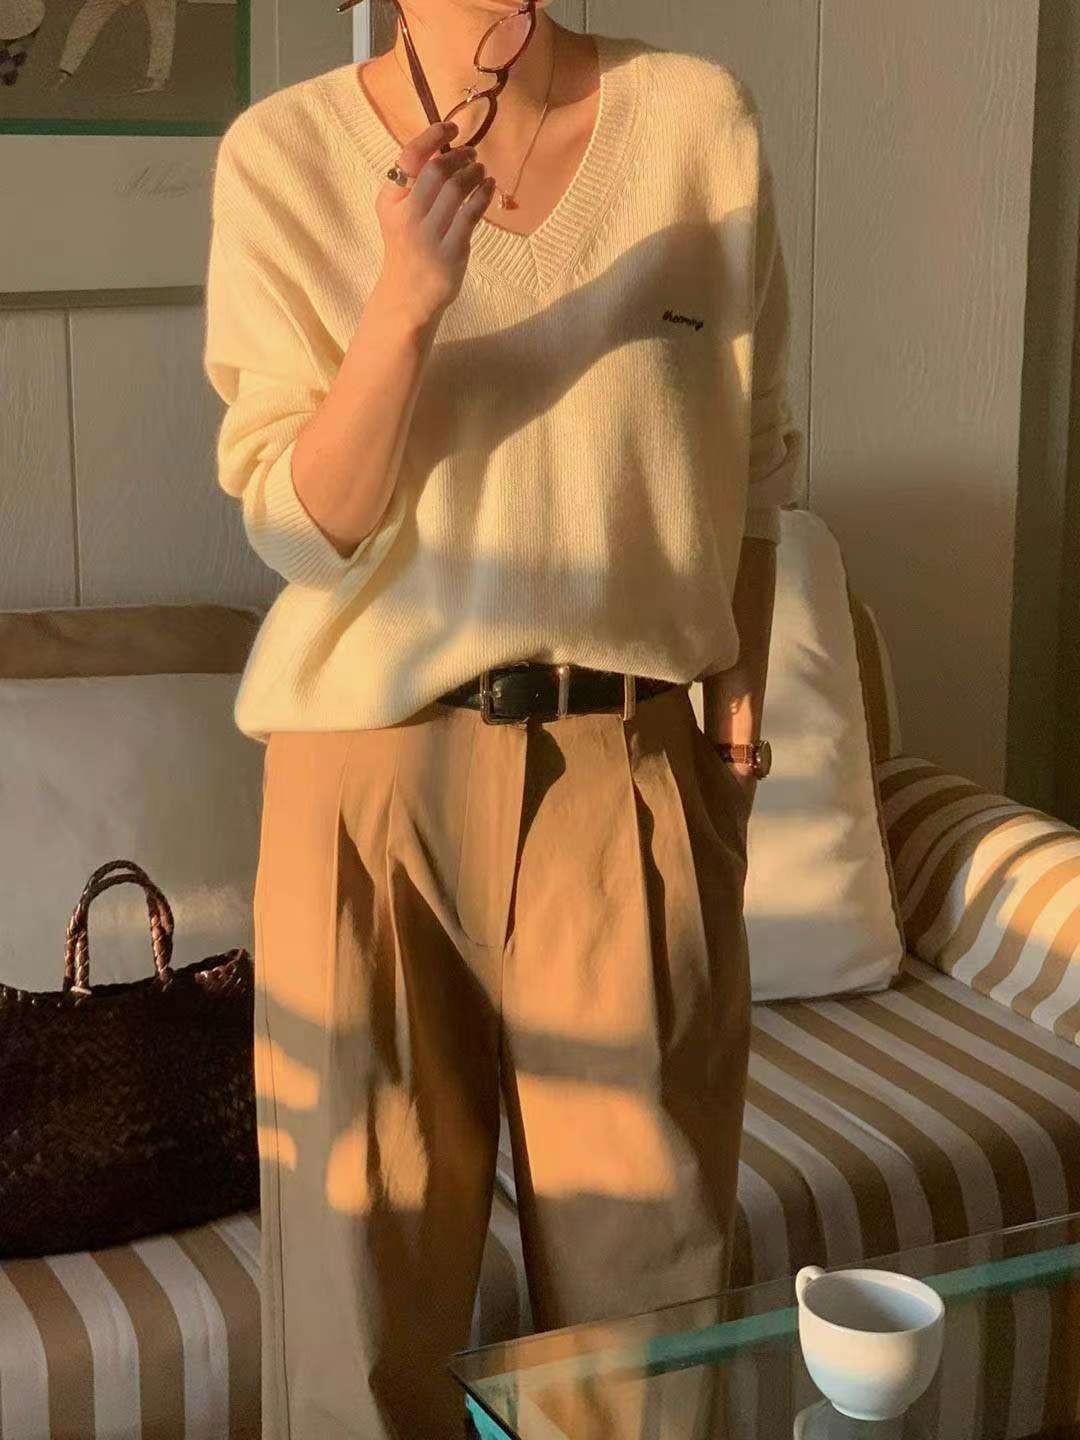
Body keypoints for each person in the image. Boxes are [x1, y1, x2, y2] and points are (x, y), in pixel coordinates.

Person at [202, 2, 803, 1437]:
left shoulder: (699, 121)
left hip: (628, 763)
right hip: (368, 789)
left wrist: (731, 738)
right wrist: (406, 301)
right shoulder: (280, 156)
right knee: (361, 1331)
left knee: (644, 1334)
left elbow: (756, 458)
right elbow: (298, 529)